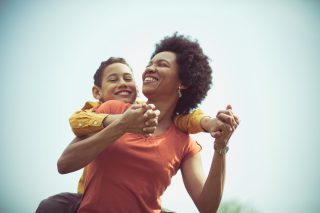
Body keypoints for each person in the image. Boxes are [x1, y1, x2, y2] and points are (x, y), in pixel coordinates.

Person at [57, 33, 240, 213]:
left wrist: (221, 147)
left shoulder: (186, 145)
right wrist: (121, 126)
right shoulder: (112, 109)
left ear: (183, 82)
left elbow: (208, 207)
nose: (149, 69)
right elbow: (64, 164)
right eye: (149, 64)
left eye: (162, 64)